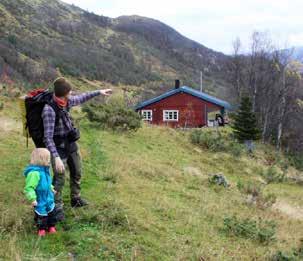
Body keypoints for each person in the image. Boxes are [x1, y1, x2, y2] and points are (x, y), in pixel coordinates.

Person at [42, 77, 112, 220]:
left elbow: (82, 97)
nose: (72, 93)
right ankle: (57, 207)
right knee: (59, 178)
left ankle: (76, 198)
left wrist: (99, 92)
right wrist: (55, 157)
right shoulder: (49, 109)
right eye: (70, 91)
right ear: (64, 93)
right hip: (57, 147)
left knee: (77, 171)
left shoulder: (66, 101)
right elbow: (47, 137)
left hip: (70, 143)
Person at [24, 148, 57, 236]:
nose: (50, 161)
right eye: (48, 159)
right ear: (42, 160)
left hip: (49, 197)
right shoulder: (34, 173)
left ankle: (51, 226)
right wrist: (32, 198)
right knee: (41, 215)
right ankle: (41, 229)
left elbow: (47, 182)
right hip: (40, 198)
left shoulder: (45, 171)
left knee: (51, 212)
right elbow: (29, 188)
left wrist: (51, 188)